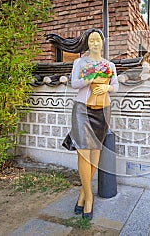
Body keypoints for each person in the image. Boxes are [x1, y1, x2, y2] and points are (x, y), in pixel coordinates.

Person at [47, 28, 119, 220]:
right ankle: (89, 199)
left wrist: (107, 86)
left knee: (95, 153)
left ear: (103, 43)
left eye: (98, 40)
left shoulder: (109, 65)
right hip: (82, 109)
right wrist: (91, 78)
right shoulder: (80, 62)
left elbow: (116, 86)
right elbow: (74, 83)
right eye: (92, 40)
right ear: (87, 43)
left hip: (102, 111)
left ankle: (82, 194)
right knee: (83, 152)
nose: (95, 43)